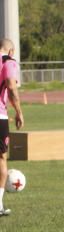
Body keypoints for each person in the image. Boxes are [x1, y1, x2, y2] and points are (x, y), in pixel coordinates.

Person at [0, 38, 24, 217]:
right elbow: (11, 85)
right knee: (1, 158)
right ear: (11, 52)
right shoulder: (8, 62)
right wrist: (18, 111)